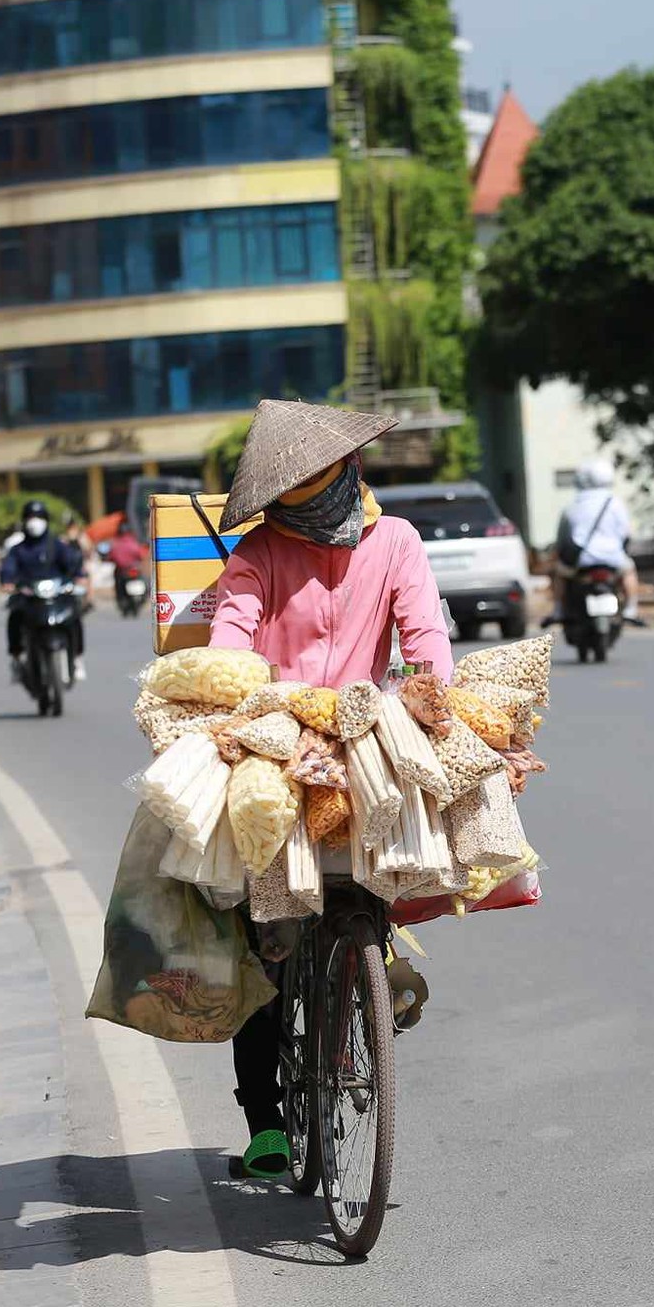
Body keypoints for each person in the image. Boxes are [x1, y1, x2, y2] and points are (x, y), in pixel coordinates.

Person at [204, 399, 452, 1179]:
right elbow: (230, 636)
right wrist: (227, 704)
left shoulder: (397, 541)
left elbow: (426, 640)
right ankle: (266, 1120)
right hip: (277, 750)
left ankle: (368, 975)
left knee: (367, 893)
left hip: (366, 744)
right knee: (267, 945)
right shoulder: (257, 554)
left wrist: (435, 704)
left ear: (352, 472)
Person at [0, 500, 87, 682]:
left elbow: (72, 562)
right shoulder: (18, 549)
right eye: (31, 517)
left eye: (38, 517)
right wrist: (7, 581)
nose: (34, 522)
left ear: (45, 520)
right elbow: (8, 568)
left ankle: (77, 658)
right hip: (29, 597)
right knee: (14, 617)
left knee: (74, 616)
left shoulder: (57, 545)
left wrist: (79, 575)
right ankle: (16, 659)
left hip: (57, 595)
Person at [551, 458, 640, 621]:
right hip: (613, 559)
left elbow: (562, 538)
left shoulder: (573, 505)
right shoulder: (615, 503)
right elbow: (626, 533)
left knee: (559, 573)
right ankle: (631, 608)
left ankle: (558, 610)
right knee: (629, 571)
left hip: (581, 561)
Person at [108, 520, 148, 609]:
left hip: (123, 571)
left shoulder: (116, 544)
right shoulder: (134, 542)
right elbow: (142, 554)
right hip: (133, 570)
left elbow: (111, 556)